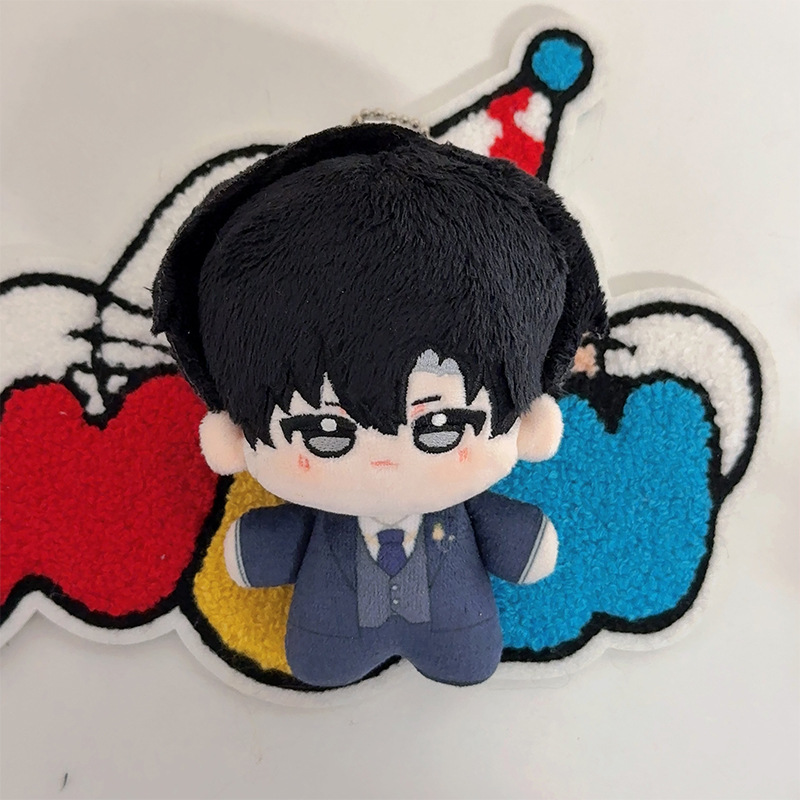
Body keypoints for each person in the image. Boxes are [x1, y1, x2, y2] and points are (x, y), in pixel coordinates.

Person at [152, 122, 606, 686]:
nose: (385, 457)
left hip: (454, 633)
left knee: (464, 659)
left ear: (529, 426)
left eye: (441, 425)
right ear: (234, 439)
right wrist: (253, 549)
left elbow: (524, 549)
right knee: (322, 664)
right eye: (325, 432)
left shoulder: (463, 507)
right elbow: (258, 555)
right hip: (331, 639)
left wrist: (526, 544)